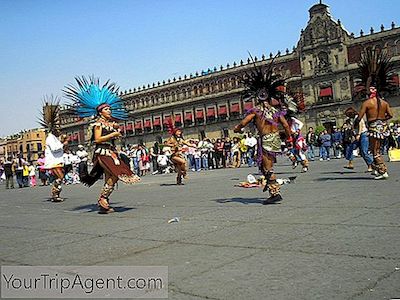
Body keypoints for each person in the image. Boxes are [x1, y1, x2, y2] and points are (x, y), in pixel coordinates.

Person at [64, 76, 140, 213]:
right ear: (100, 112)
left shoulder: (110, 124)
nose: (110, 111)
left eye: (110, 109)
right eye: (107, 109)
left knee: (111, 177)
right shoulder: (97, 125)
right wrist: (113, 134)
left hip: (111, 152)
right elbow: (97, 140)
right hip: (102, 153)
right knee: (115, 175)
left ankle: (103, 204)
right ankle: (102, 198)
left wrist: (117, 134)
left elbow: (115, 139)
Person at [234, 58, 292, 204]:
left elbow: (243, 122)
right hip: (276, 139)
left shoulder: (256, 110)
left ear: (258, 97)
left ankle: (275, 193)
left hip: (266, 140)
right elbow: (285, 125)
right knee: (266, 166)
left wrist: (237, 128)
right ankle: (270, 187)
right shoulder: (276, 111)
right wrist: (289, 138)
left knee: (267, 168)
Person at [355, 49, 395, 179]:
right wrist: (383, 120)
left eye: (369, 88)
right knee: (377, 148)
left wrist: (356, 125)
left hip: (372, 127)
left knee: (375, 150)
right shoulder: (384, 103)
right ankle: (377, 170)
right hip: (383, 127)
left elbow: (359, 117)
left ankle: (383, 170)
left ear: (372, 89)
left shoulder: (367, 103)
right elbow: (391, 115)